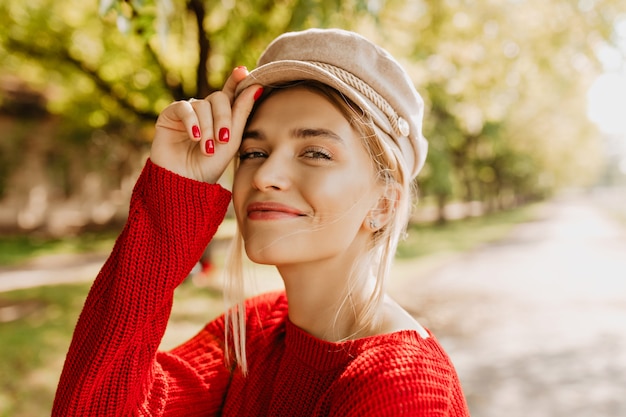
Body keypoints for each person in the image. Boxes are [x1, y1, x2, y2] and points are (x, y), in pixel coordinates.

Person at [52, 28, 470, 416]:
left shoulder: (404, 388)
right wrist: (174, 188)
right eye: (253, 152)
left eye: (316, 153)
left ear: (384, 204)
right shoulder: (252, 333)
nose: (265, 176)